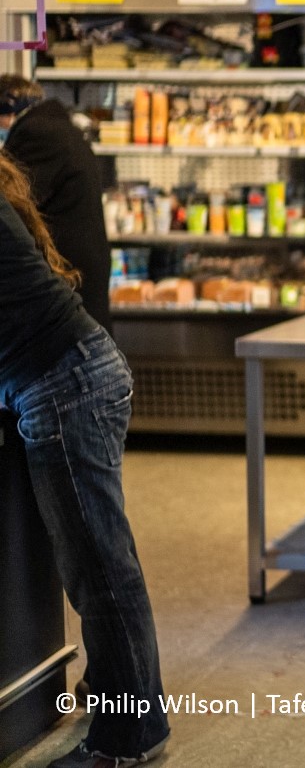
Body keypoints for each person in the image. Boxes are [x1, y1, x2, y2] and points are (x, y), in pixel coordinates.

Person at [0, 151, 168, 767]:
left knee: (99, 569)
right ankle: (117, 699)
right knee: (99, 563)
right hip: (68, 374)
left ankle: (131, 735)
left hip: (66, 385)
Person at [0, 75, 113, 332]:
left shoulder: (37, 132)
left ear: (9, 105)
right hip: (79, 270)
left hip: (67, 273)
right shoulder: (57, 127)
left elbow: (14, 202)